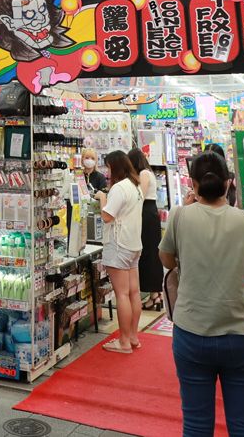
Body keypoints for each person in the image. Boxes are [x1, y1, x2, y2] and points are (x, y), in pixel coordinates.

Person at [159, 149, 244, 437]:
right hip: (241, 332)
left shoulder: (180, 216)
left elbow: (167, 260)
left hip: (192, 332)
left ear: (193, 184)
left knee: (196, 424)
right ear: (228, 183)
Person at [96, 150, 144, 354]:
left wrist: (102, 198)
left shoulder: (119, 188)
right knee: (134, 292)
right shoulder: (135, 186)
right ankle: (133, 336)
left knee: (122, 294)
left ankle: (124, 341)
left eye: (108, 167)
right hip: (133, 244)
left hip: (119, 245)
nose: (107, 172)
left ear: (115, 167)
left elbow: (107, 216)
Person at [129, 148, 163, 310]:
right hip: (150, 212)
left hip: (146, 213)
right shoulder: (148, 172)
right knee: (152, 252)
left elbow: (140, 196)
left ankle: (154, 295)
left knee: (149, 254)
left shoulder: (143, 173)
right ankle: (156, 294)